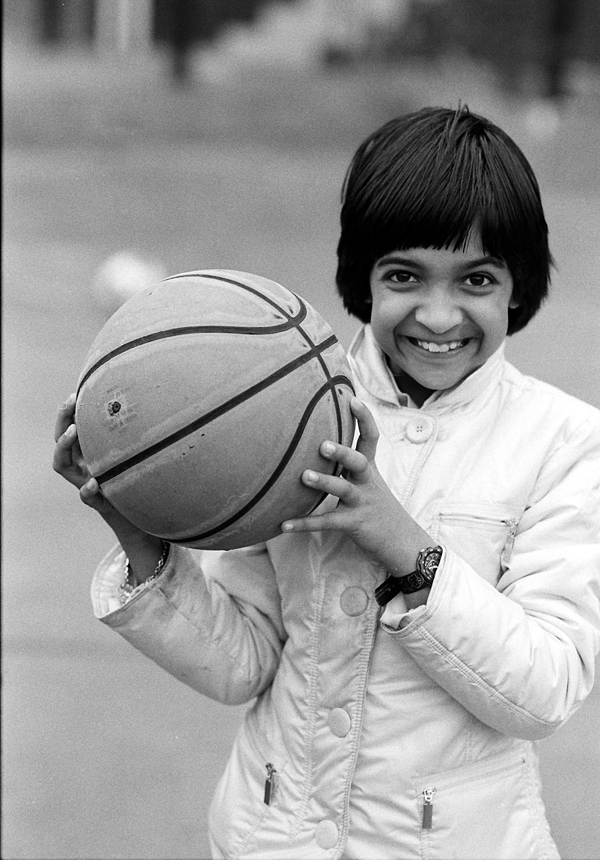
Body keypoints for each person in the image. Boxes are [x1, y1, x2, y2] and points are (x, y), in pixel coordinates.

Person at [54, 105, 600, 859]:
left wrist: (401, 541)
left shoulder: (566, 442)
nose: (439, 314)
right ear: (363, 280)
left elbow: (545, 691)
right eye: (404, 275)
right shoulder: (285, 414)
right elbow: (243, 663)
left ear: (517, 286)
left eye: (476, 279)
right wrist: (138, 532)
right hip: (268, 836)